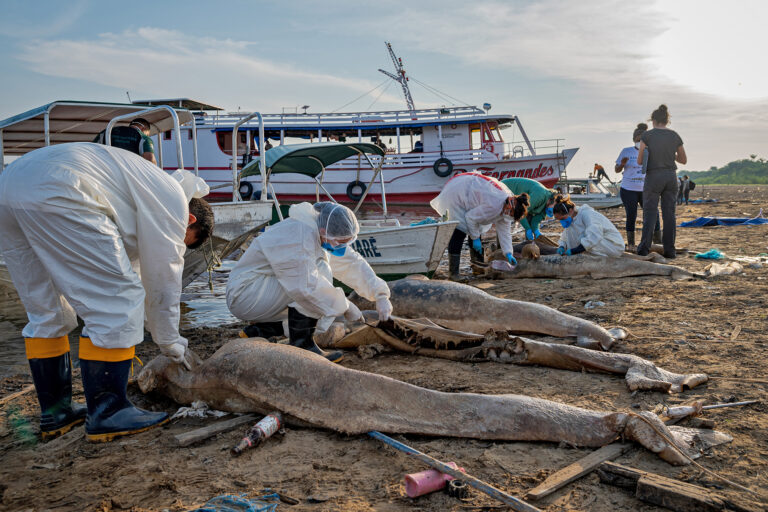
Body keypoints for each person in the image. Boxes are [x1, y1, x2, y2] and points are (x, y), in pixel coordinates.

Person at [0, 142, 214, 442]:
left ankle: (56, 413)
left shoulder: (144, 187)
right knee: (118, 301)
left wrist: (143, 325)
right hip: (63, 186)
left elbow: (138, 271)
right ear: (189, 220)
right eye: (183, 240)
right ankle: (108, 412)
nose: (178, 244)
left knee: (47, 309)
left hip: (10, 185)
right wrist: (170, 342)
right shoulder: (171, 199)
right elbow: (164, 277)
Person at [226, 202, 392, 364]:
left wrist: (380, 294)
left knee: (321, 287)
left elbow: (351, 263)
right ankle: (302, 344)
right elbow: (305, 286)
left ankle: (264, 330)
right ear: (323, 231)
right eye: (341, 242)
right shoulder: (297, 236)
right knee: (321, 273)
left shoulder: (319, 232)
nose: (343, 247)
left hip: (261, 290)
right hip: (246, 295)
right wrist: (346, 305)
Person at [430, 172, 529, 280]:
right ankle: (453, 274)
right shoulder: (494, 205)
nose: (509, 217)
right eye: (511, 214)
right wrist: (475, 238)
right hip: (457, 192)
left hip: (471, 193)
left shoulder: (508, 208)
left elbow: (504, 232)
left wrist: (509, 253)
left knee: (476, 231)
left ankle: (477, 268)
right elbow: (470, 218)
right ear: (509, 208)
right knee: (460, 230)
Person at [636, 105, 687, 258]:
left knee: (650, 214)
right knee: (669, 214)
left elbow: (640, 161)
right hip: (671, 176)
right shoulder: (675, 136)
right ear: (666, 120)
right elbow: (683, 160)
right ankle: (670, 250)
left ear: (653, 120)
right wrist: (671, 155)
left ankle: (644, 248)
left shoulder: (647, 136)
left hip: (653, 176)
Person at [614, 123, 661, 251]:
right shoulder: (626, 151)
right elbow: (616, 170)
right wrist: (622, 164)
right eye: (638, 140)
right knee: (631, 215)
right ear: (634, 139)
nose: (640, 142)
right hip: (629, 189)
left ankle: (658, 241)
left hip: (646, 189)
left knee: (653, 213)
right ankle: (631, 244)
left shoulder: (651, 151)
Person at [552, 195, 624, 257]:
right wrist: (562, 246)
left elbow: (594, 235)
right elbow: (566, 236)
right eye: (559, 220)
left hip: (613, 246)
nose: (562, 222)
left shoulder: (587, 214)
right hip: (600, 245)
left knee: (585, 236)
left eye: (563, 218)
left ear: (570, 211)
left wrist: (575, 250)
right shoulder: (572, 219)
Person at [501, 177, 556, 241]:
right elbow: (521, 211)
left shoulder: (546, 207)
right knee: (501, 220)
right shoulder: (540, 195)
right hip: (506, 188)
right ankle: (501, 247)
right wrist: (528, 229)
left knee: (527, 218)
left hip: (518, 202)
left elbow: (535, 221)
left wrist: (536, 230)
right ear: (552, 199)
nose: (553, 211)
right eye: (554, 207)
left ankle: (529, 243)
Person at [92, 117, 157, 165]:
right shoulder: (144, 138)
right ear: (143, 129)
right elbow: (150, 161)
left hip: (105, 173)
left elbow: (92, 151)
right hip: (128, 176)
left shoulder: (106, 132)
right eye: (148, 134)